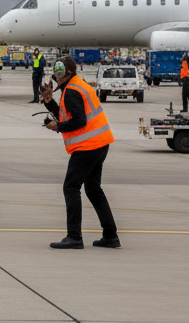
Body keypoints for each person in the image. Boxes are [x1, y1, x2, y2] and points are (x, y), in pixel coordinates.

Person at [41, 57, 119, 249]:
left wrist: (58, 127)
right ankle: (110, 236)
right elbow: (66, 114)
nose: (56, 76)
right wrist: (49, 102)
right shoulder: (77, 85)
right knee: (93, 189)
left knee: (71, 187)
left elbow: (78, 121)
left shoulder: (72, 91)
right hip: (100, 143)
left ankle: (74, 237)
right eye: (55, 72)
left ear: (67, 73)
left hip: (88, 146)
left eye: (59, 72)